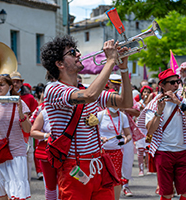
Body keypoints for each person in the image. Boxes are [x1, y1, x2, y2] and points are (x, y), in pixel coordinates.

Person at [40, 35, 133, 200]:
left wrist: (124, 70)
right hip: (74, 167)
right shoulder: (53, 89)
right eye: (72, 52)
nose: (78, 54)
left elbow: (125, 102)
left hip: (98, 163)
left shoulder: (87, 88)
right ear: (60, 64)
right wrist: (110, 61)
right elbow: (89, 96)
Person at [137, 68, 186, 200]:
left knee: (185, 192)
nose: (176, 85)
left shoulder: (183, 101)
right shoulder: (153, 104)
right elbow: (150, 130)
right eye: (172, 82)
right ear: (162, 85)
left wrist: (179, 103)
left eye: (178, 81)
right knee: (167, 194)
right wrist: (159, 112)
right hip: (164, 152)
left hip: (183, 151)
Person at [0, 74, 31, 200]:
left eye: (2, 85)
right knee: (1, 190)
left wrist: (21, 113)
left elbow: (28, 129)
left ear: (10, 86)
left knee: (17, 191)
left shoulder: (19, 102)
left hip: (16, 152)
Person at [10, 71, 40, 181]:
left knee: (28, 158)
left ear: (21, 83)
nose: (15, 84)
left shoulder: (29, 98)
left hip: (26, 132)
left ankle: (26, 184)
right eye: (13, 82)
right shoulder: (6, 97)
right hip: (12, 133)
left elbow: (36, 114)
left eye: (17, 82)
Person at [98, 106, 132, 200]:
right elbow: (93, 132)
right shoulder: (100, 115)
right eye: (113, 102)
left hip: (116, 152)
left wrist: (126, 140)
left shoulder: (122, 116)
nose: (115, 105)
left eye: (118, 102)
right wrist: (100, 139)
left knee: (116, 178)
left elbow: (128, 135)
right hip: (102, 152)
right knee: (101, 178)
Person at [30, 109, 57, 200]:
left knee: (67, 185)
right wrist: (46, 135)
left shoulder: (72, 110)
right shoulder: (45, 112)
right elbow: (33, 131)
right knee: (50, 185)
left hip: (69, 155)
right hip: (48, 155)